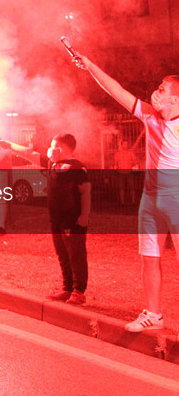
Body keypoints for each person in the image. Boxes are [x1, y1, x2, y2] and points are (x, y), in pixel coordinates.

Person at [72, 53, 179, 332]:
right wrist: (90, 66)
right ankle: (153, 315)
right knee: (149, 258)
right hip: (150, 200)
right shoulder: (149, 115)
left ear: (175, 100)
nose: (156, 93)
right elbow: (116, 89)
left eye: (162, 90)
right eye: (158, 88)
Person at [0, 133, 91, 305]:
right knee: (62, 254)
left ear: (61, 148)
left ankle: (79, 292)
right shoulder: (52, 164)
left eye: (52, 145)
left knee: (75, 254)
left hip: (73, 220)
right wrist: (10, 145)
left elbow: (85, 192)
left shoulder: (77, 168)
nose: (49, 149)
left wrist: (84, 217)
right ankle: (67, 289)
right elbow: (28, 153)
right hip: (57, 219)